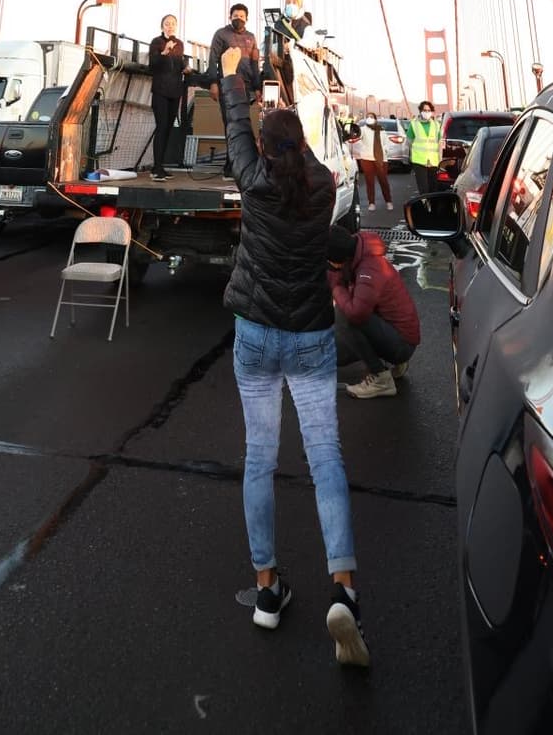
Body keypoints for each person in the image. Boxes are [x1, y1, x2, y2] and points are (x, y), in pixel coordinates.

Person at [220, 46, 370, 666]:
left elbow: (236, 133)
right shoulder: (325, 183)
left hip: (255, 334)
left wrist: (233, 77)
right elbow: (289, 151)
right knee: (325, 456)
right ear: (304, 144)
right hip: (309, 335)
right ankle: (344, 591)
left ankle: (266, 592)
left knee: (259, 458)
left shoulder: (252, 182)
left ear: (263, 147)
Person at [327, 223, 421, 399]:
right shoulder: (358, 253)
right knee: (335, 355)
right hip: (399, 336)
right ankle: (396, 362)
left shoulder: (370, 269)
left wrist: (335, 287)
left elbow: (356, 313)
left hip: (401, 344)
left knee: (344, 315)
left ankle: (380, 379)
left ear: (341, 260)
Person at [208, 3, 260, 175]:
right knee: (230, 125)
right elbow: (213, 60)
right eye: (235, 15)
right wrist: (213, 83)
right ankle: (230, 167)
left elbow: (254, 64)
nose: (239, 18)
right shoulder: (221, 34)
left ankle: (240, 164)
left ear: (247, 19)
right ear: (230, 17)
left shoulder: (251, 38)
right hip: (227, 87)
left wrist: (258, 87)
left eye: (242, 16)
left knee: (243, 124)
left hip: (245, 88)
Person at [148, 14, 187, 179]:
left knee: (169, 128)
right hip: (160, 90)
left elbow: (178, 65)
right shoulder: (156, 42)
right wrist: (164, 52)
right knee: (161, 126)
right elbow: (153, 65)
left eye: (173, 24)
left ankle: (160, 166)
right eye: (167, 24)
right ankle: (156, 168)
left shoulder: (180, 44)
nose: (170, 26)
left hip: (175, 90)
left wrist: (186, 67)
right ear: (162, 26)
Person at [355, 114, 392, 211]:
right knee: (369, 182)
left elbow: (386, 143)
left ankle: (388, 201)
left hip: (381, 159)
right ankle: (371, 203)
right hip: (367, 158)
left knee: (383, 181)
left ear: (375, 119)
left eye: (371, 117)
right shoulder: (363, 129)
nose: (369, 118)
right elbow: (357, 136)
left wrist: (385, 150)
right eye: (368, 117)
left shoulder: (381, 130)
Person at [407, 100, 443, 194]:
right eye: (424, 110)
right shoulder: (414, 124)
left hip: (433, 161)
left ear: (431, 112)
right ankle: (425, 207)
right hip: (419, 161)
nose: (426, 112)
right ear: (420, 111)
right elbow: (409, 142)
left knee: (433, 189)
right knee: (424, 189)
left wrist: (440, 160)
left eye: (428, 110)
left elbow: (439, 144)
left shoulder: (436, 125)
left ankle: (432, 207)